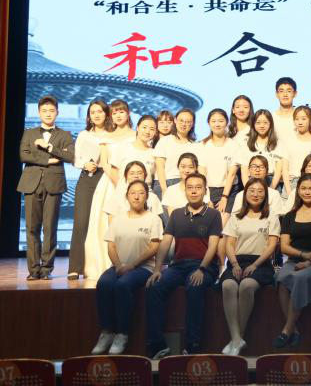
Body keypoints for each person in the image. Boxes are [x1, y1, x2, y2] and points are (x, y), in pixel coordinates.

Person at [145, 173, 222, 358]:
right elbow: (165, 242)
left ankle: (192, 344)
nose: (194, 191)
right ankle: (157, 344)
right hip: (178, 266)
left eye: (198, 187)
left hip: (203, 265)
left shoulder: (213, 214)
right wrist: (157, 269)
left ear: (205, 191)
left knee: (194, 286)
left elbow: (213, 246)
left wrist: (202, 268)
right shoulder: (177, 214)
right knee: (154, 285)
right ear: (185, 191)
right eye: (190, 187)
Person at [92, 180, 162, 355]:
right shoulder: (118, 219)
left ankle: (122, 334)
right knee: (104, 283)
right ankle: (107, 332)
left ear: (146, 196)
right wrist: (118, 265)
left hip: (143, 267)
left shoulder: (153, 219)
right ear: (127, 196)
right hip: (119, 266)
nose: (137, 196)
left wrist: (132, 264)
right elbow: (111, 246)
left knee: (123, 285)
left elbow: (154, 246)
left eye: (141, 193)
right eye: (133, 193)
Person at [86, 114, 155, 279]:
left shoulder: (154, 153)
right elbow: (114, 170)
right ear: (137, 128)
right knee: (118, 233)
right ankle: (118, 265)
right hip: (124, 196)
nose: (148, 131)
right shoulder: (124, 148)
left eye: (152, 129)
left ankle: (140, 267)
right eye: (144, 127)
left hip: (146, 198)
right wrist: (124, 191)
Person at [220, 178, 280, 356]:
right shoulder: (236, 217)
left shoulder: (271, 217)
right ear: (245, 194)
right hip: (237, 261)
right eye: (252, 190)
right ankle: (236, 338)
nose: (256, 194)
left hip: (260, 263)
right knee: (228, 285)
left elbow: (271, 246)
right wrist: (234, 264)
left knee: (246, 285)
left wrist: (255, 264)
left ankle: (238, 338)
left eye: (260, 191)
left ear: (265, 195)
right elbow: (229, 244)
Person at [274, 173, 311, 349]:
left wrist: (309, 261)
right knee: (281, 279)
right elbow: (284, 247)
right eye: (303, 188)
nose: (307, 192)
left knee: (300, 278)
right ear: (298, 191)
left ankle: (286, 330)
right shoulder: (290, 216)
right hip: (294, 260)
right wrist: (302, 255)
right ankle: (294, 330)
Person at [18, 95, 75, 280]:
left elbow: (70, 156)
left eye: (51, 110)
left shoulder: (65, 135)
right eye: (44, 111)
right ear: (39, 112)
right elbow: (24, 156)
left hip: (54, 184)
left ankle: (46, 269)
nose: (48, 114)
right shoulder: (29, 133)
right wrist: (49, 160)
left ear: (57, 112)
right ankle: (33, 270)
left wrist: (49, 147)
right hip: (31, 183)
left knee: (50, 228)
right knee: (32, 228)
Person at [69, 99, 113, 280]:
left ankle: (103, 265)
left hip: (107, 177)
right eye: (92, 112)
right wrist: (84, 164)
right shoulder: (83, 135)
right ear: (88, 116)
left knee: (103, 223)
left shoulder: (112, 135)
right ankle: (74, 267)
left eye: (100, 111)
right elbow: (75, 158)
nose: (96, 115)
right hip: (87, 178)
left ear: (106, 114)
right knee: (81, 222)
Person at [198, 109, 239, 210]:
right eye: (213, 121)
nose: (217, 124)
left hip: (230, 190)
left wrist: (224, 197)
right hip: (208, 190)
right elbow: (202, 173)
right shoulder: (202, 145)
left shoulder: (234, 145)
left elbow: (232, 174)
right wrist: (207, 198)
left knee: (224, 218)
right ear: (208, 123)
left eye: (221, 121)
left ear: (227, 122)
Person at [235, 109, 285, 191]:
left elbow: (278, 171)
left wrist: (271, 190)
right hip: (251, 181)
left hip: (271, 182)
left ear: (270, 124)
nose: (262, 126)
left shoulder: (277, 143)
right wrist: (249, 189)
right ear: (253, 124)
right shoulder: (246, 143)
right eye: (258, 122)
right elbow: (244, 171)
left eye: (265, 122)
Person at [282, 106, 311, 193]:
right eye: (297, 119)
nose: (300, 122)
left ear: (310, 120)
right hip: (292, 183)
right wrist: (289, 192)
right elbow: (285, 169)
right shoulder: (288, 141)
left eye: (304, 119)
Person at [154, 108, 197, 200]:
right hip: (165, 183)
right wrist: (164, 189)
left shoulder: (195, 145)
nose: (184, 124)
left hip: (186, 184)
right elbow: (159, 167)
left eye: (188, 121)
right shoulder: (164, 141)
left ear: (192, 124)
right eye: (181, 121)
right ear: (175, 121)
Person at [272, 77, 298, 146]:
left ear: (295, 94)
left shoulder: (302, 116)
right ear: (276, 94)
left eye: (289, 91)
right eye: (281, 91)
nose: (285, 94)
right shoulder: (271, 118)